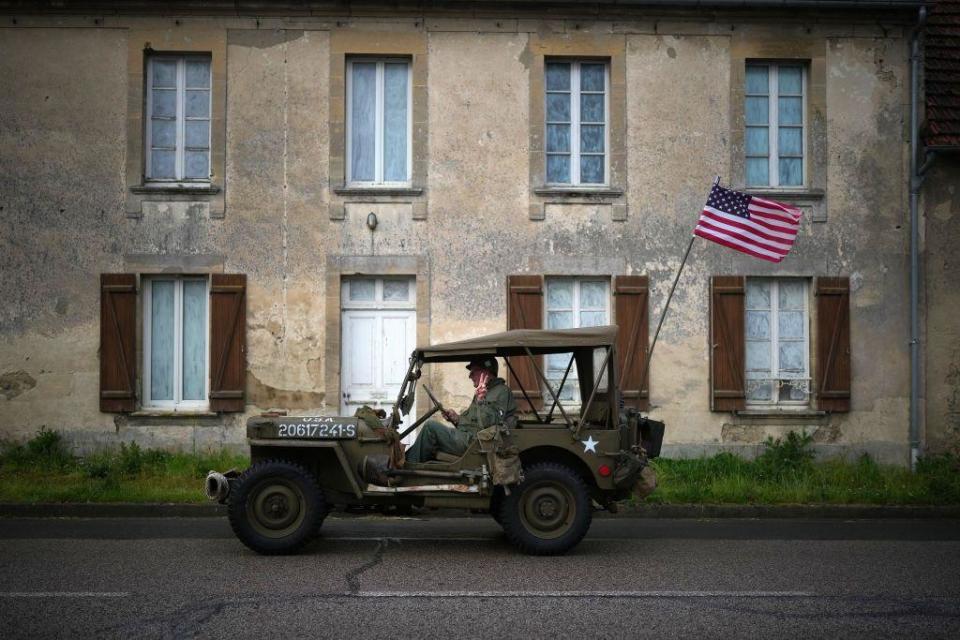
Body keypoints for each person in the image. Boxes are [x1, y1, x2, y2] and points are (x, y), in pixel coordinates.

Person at [405, 357, 517, 464]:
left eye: (473, 372)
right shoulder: (484, 391)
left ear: (486, 372)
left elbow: (492, 424)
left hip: (477, 443)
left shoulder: (502, 392)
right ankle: (404, 461)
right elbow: (472, 420)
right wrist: (456, 418)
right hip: (468, 437)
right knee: (430, 433)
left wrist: (481, 401)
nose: (470, 376)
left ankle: (407, 468)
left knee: (430, 428)